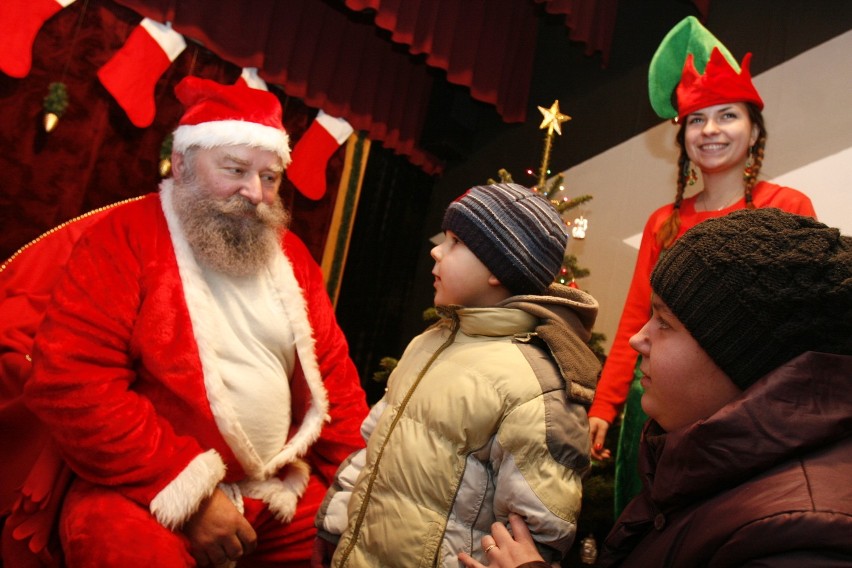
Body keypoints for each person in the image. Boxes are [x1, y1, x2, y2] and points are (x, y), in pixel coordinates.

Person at [1, 76, 369, 567]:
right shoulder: (123, 238)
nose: (255, 193)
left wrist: (356, 483)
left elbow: (335, 382)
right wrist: (191, 495)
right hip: (144, 488)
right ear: (181, 165)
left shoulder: (293, 256)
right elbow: (73, 381)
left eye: (270, 177)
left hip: (275, 490)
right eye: (235, 169)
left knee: (363, 547)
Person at [460, 207, 852, 568]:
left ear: (741, 356)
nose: (637, 340)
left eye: (664, 322)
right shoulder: (706, 460)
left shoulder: (801, 538)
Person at [587, 16, 816, 514]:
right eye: (696, 119)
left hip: (745, 417)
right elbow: (636, 318)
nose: (710, 129)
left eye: (727, 115)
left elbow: (800, 327)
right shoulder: (662, 222)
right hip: (655, 416)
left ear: (755, 131)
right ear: (684, 136)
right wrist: (605, 405)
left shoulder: (788, 208)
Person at [312, 183, 603, 567]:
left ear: (498, 268)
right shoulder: (428, 343)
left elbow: (534, 530)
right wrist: (334, 527)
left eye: (454, 243)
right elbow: (373, 445)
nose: (436, 250)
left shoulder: (535, 384)